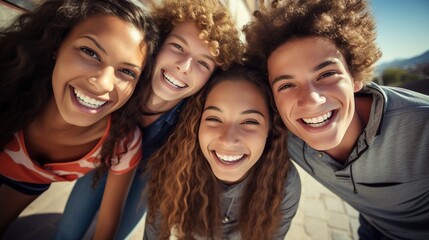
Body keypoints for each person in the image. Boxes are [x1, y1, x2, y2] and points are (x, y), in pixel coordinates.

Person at [55, 0, 244, 239]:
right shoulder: (120, 81)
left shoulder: (196, 121)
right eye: (177, 47)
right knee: (67, 230)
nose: (184, 66)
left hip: (150, 174)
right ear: (159, 42)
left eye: (203, 63)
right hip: (104, 156)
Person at [244, 0, 429, 239]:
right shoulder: (282, 132)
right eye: (287, 85)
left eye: (327, 74)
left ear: (355, 77)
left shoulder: (422, 128)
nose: (311, 100)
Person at [0, 0, 158, 238]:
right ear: (57, 45)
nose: (103, 84)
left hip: (29, 183)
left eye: (127, 72)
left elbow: (108, 220)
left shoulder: (121, 143)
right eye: (90, 52)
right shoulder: (7, 87)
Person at [144, 65, 301, 240]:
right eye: (214, 118)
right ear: (197, 123)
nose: (227, 139)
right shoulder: (176, 163)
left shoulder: (284, 183)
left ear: (270, 130)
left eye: (249, 121)